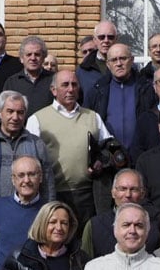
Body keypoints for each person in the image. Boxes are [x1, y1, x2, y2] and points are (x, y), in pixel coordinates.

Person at [25, 69, 114, 224]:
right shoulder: (37, 120)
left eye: (74, 84)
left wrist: (101, 161)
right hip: (53, 195)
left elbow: (109, 149)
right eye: (65, 85)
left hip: (88, 196)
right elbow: (28, 160)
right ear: (53, 90)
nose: (71, 89)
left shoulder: (93, 117)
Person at [2, 201, 90, 270]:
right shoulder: (18, 258)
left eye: (64, 223)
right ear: (42, 224)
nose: (59, 227)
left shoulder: (80, 259)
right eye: (52, 222)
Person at [81, 169, 160, 258]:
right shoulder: (95, 226)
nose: (128, 195)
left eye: (134, 189)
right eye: (122, 189)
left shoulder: (156, 226)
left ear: (142, 194)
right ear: (113, 193)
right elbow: (84, 261)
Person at [0, 156, 48, 270]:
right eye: (21, 175)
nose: (26, 180)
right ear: (13, 179)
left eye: (32, 174)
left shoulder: (49, 211)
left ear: (40, 177)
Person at [3, 36, 55, 115]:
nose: (33, 58)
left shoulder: (54, 80)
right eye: (29, 54)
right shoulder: (11, 83)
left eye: (37, 54)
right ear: (21, 58)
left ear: (43, 58)